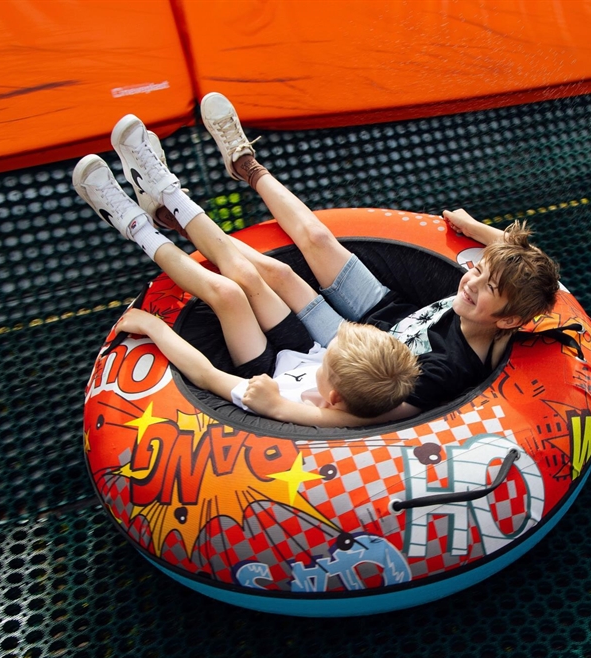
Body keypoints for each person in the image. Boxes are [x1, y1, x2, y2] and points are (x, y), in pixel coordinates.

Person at [189, 93, 562, 425]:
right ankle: (247, 165)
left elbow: (362, 418)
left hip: (352, 346)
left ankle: (180, 217)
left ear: (509, 318)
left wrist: (279, 410)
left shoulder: (448, 370)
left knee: (275, 271)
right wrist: (473, 227)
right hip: (383, 306)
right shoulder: (496, 302)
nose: (470, 282)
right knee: (317, 237)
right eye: (477, 270)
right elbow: (533, 261)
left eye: (487, 287)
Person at [72, 116, 419, 424]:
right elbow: (343, 365)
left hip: (266, 372)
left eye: (332, 359)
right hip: (298, 348)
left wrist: (154, 328)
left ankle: (134, 226)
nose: (331, 344)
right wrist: (324, 355)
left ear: (333, 397)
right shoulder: (341, 375)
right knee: (251, 276)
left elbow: (207, 375)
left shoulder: (289, 404)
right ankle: (168, 192)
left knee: (228, 294)